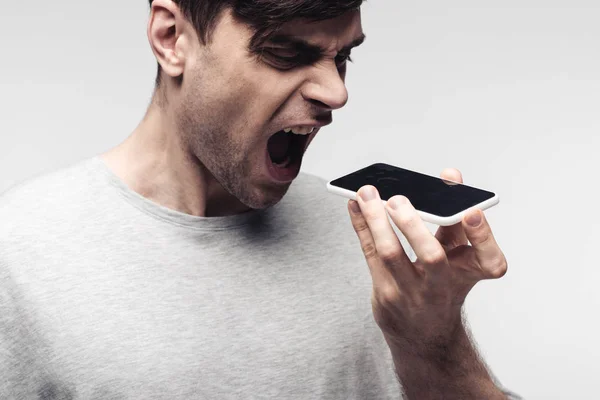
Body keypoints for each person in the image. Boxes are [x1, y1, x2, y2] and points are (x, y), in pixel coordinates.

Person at [0, 1, 522, 399]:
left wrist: (434, 341)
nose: (337, 93)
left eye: (342, 57)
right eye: (287, 53)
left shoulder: (375, 242)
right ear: (172, 38)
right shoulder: (19, 251)